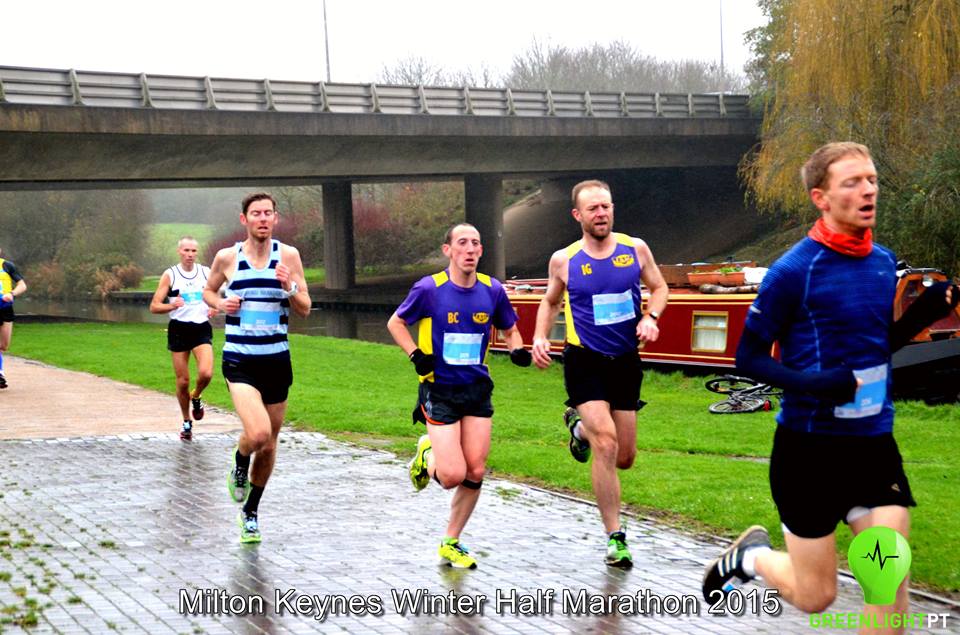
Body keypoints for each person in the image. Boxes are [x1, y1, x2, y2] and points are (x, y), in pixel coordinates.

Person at [701, 142, 958, 631]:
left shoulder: (883, 263)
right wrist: (814, 384)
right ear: (821, 197)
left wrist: (922, 315)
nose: (868, 191)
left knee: (887, 583)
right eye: (852, 182)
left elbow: (872, 348)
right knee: (817, 596)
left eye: (872, 180)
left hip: (872, 447)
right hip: (808, 452)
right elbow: (748, 357)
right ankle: (752, 558)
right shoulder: (794, 271)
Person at [531, 180, 669, 568]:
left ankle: (578, 430)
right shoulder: (565, 259)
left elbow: (659, 288)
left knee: (624, 457)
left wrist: (651, 317)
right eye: (592, 209)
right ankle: (616, 537)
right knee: (605, 445)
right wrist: (541, 337)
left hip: (626, 360)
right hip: (585, 360)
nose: (601, 214)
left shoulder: (635, 249)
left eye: (605, 206)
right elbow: (550, 301)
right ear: (578, 215)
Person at [387, 223, 531, 569]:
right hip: (440, 389)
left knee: (476, 471)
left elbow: (509, 328)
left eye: (476, 244)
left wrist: (517, 349)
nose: (469, 249)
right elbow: (395, 323)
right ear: (448, 250)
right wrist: (414, 355)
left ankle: (451, 541)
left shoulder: (492, 290)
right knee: (452, 475)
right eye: (462, 243)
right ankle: (427, 453)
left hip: (477, 388)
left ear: (481, 252)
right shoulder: (429, 289)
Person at [203, 192, 311, 544]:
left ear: (275, 219)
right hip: (240, 359)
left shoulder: (289, 256)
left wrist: (289, 285)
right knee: (259, 433)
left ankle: (251, 512)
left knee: (269, 444)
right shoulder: (227, 257)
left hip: (277, 360)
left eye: (268, 213)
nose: (262, 219)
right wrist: (221, 303)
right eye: (256, 214)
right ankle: (239, 459)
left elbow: (306, 307)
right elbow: (208, 292)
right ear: (244, 219)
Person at [149, 237, 216, 440]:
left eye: (193, 250)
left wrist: (213, 306)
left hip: (201, 329)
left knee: (206, 373)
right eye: (186, 250)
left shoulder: (206, 272)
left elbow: (215, 294)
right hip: (179, 329)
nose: (190, 254)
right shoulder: (171, 275)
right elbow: (154, 306)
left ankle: (196, 397)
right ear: (179, 251)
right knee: (183, 381)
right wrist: (172, 305)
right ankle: (187, 422)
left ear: (197, 252)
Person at [0, 247, 27, 390]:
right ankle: (0, 374)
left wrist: (12, 294)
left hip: (5, 307)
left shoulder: (7, 265)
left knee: (4, 345)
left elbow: (22, 285)